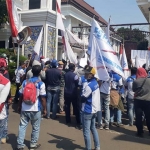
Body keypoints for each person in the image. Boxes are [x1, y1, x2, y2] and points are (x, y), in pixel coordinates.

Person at [16, 65, 47, 150]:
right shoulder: (41, 84)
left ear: (32, 72)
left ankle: (20, 145)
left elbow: (21, 95)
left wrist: (19, 106)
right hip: (35, 109)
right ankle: (33, 144)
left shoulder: (25, 82)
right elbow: (43, 98)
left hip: (24, 108)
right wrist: (44, 109)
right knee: (35, 128)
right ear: (40, 72)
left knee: (22, 126)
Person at [81, 66, 100, 150]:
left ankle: (88, 148)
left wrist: (81, 95)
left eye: (87, 73)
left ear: (91, 75)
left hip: (88, 110)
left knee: (86, 131)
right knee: (93, 128)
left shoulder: (89, 86)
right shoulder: (95, 83)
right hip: (94, 109)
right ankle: (97, 146)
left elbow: (83, 98)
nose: (85, 74)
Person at [133, 68, 150, 137]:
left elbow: (134, 90)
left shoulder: (136, 81)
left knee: (139, 117)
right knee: (148, 117)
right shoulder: (149, 80)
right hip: (148, 101)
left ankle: (140, 131)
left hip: (138, 101)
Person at [0, 65, 11, 144]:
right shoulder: (6, 81)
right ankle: (3, 136)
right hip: (2, 106)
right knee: (4, 120)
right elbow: (2, 100)